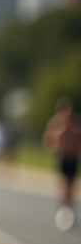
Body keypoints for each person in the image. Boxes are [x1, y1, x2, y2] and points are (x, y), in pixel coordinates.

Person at [43, 97, 81, 231]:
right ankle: (63, 211)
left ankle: (70, 210)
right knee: (64, 185)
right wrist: (60, 136)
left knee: (72, 186)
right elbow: (48, 143)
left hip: (74, 159)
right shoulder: (55, 123)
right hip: (63, 158)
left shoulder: (76, 124)